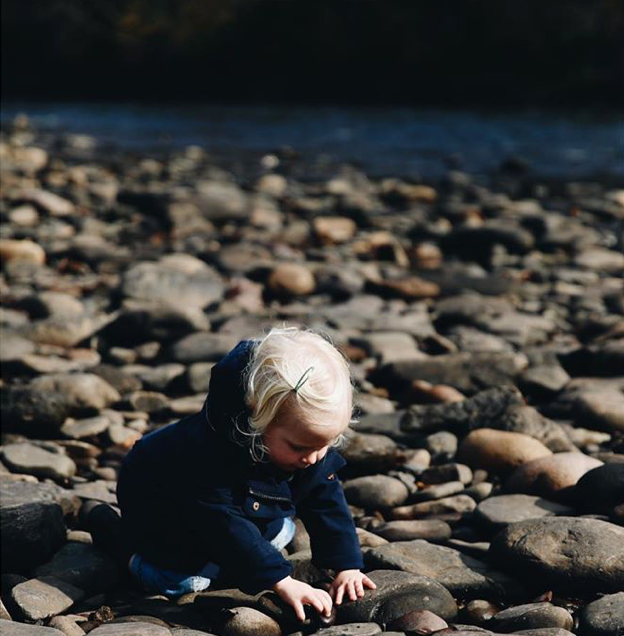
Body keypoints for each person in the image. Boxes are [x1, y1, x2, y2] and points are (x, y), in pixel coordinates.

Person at [115, 326, 376, 620]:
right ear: (258, 422)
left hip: (237, 504)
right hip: (165, 511)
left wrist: (346, 565)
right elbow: (222, 523)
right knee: (188, 582)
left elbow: (326, 498)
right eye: (300, 446)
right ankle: (123, 547)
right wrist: (281, 581)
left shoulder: (306, 447)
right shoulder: (206, 458)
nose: (314, 457)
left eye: (327, 443)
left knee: (281, 532)